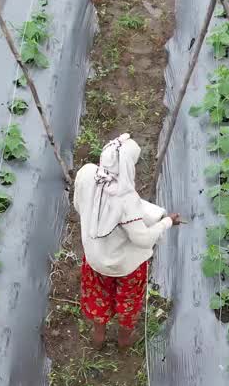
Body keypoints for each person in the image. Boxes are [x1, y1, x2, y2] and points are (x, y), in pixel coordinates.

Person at [72, 133, 179, 348]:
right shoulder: (125, 200)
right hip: (126, 266)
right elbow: (142, 239)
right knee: (128, 302)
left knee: (99, 297)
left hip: (96, 260)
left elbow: (78, 206)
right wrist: (165, 222)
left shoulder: (86, 175)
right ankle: (123, 340)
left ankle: (99, 336)